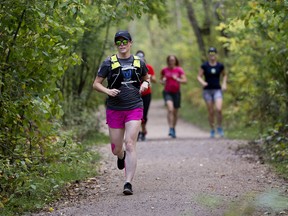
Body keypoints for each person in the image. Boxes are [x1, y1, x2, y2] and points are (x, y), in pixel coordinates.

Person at [93, 30, 149, 195]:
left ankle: (128, 182)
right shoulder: (108, 62)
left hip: (134, 107)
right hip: (115, 109)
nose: (122, 44)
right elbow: (96, 84)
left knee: (130, 143)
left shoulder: (139, 62)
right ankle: (121, 155)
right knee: (116, 148)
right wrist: (107, 91)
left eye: (125, 41)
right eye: (118, 42)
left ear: (130, 43)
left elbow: (147, 77)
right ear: (116, 44)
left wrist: (145, 85)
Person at [197, 47, 227, 138]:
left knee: (219, 109)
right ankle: (212, 129)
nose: (212, 55)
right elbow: (199, 76)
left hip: (217, 89)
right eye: (210, 54)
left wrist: (224, 84)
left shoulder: (220, 66)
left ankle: (219, 127)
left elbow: (224, 75)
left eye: (213, 54)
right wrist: (203, 82)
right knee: (210, 111)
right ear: (208, 55)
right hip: (207, 90)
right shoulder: (204, 66)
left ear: (216, 55)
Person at [160, 55, 187, 138]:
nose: (171, 61)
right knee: (170, 109)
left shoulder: (179, 70)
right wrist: (163, 81)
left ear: (175, 61)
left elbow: (185, 81)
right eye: (170, 60)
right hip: (167, 92)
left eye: (173, 60)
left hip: (176, 93)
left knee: (175, 112)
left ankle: (173, 128)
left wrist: (178, 79)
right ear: (168, 61)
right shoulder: (164, 70)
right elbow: (161, 80)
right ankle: (171, 128)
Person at [135, 50, 156, 141]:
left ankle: (143, 131)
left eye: (141, 57)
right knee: (136, 114)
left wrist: (150, 77)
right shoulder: (133, 67)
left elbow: (154, 80)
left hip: (147, 94)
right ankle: (138, 132)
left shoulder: (149, 67)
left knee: (144, 114)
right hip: (135, 94)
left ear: (144, 58)